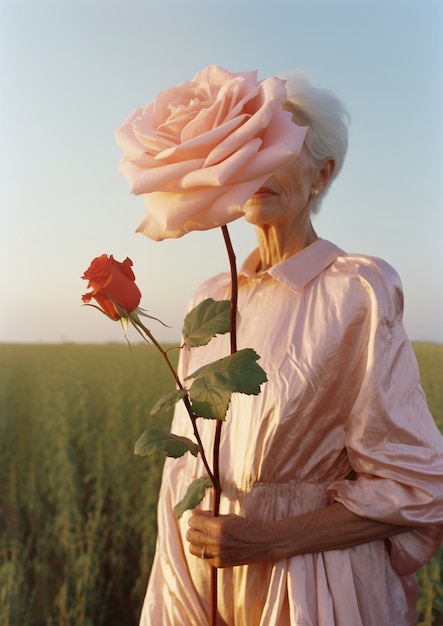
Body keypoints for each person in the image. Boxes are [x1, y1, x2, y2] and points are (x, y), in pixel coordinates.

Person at [139, 71, 443, 626]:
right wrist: (179, 603)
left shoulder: (357, 291)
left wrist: (265, 538)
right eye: (246, 147)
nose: (255, 166)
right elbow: (181, 475)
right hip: (209, 587)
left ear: (321, 174)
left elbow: (417, 486)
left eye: (277, 147)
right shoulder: (208, 300)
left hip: (317, 593)